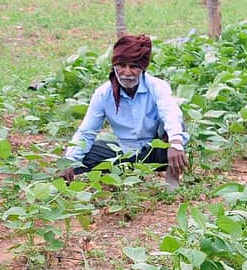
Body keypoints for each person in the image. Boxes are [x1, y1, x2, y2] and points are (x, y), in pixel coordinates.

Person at [58, 34, 188, 189]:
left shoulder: (157, 87)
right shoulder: (104, 94)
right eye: (121, 66)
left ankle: (172, 184)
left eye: (133, 67)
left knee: (176, 131)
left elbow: (170, 113)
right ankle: (112, 177)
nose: (127, 72)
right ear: (114, 66)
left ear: (142, 69)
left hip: (155, 151)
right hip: (123, 151)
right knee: (85, 151)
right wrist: (70, 160)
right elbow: (87, 131)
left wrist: (175, 144)